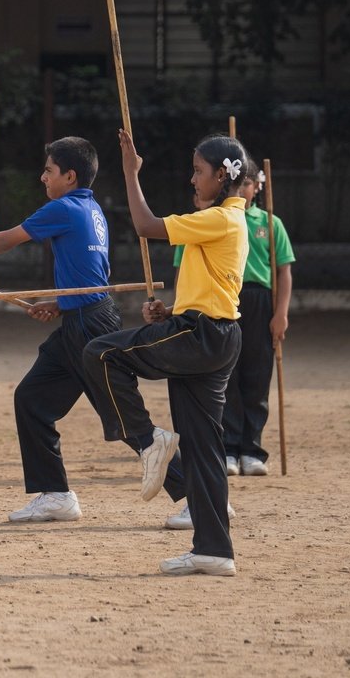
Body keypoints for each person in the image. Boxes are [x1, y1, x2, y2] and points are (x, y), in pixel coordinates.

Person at [0, 136, 190, 523]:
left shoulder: (63, 207)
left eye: (49, 170)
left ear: (70, 175)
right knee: (31, 400)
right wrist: (61, 302)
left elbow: (3, 240)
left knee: (124, 419)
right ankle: (56, 494)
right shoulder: (92, 209)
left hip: (89, 324)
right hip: (81, 318)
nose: (42, 177)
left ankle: (198, 499)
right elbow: (91, 273)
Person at [80, 131, 248, 577]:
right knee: (204, 449)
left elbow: (145, 226)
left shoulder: (222, 218)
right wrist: (171, 308)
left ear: (222, 177)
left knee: (99, 354)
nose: (192, 180)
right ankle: (214, 550)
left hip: (201, 335)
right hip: (212, 330)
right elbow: (217, 283)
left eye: (198, 172)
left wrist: (131, 175)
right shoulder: (221, 219)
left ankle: (147, 438)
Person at [169, 163, 294, 482]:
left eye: (252, 183)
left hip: (258, 299)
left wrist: (280, 313)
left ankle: (252, 449)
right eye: (244, 183)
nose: (247, 188)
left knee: (258, 372)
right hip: (222, 297)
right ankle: (228, 447)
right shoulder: (211, 220)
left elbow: (283, 270)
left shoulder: (269, 222)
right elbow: (183, 270)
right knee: (228, 376)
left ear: (258, 187)